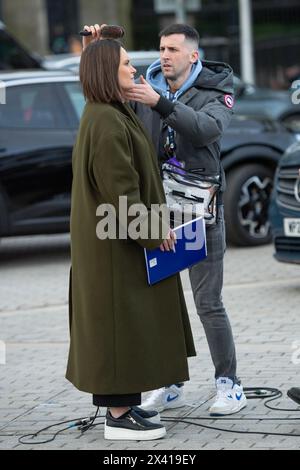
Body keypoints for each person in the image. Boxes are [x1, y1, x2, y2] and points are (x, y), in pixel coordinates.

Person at [82, 23, 247, 416]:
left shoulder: (216, 88)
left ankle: (229, 385)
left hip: (197, 212)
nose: (164, 55)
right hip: (158, 214)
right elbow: (103, 81)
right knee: (162, 303)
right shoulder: (145, 84)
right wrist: (96, 47)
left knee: (207, 302)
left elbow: (207, 131)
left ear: (193, 55)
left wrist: (161, 103)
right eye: (160, 48)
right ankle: (170, 384)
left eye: (173, 49)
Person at [65, 37, 196, 441]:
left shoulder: (106, 112)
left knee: (123, 327)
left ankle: (124, 407)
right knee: (121, 327)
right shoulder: (105, 119)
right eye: (125, 64)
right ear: (108, 72)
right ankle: (119, 416)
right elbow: (121, 192)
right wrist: (155, 234)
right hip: (115, 248)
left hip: (113, 245)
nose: (135, 70)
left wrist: (99, 40)